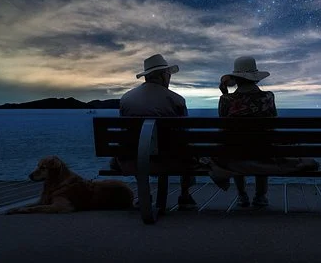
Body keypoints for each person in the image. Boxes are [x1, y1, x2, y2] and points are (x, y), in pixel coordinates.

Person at [110, 53, 197, 210]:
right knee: (188, 148)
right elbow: (185, 134)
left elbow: (125, 133)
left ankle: (145, 193)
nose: (169, 78)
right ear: (164, 75)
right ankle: (184, 194)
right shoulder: (176, 99)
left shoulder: (126, 99)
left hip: (132, 162)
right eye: (169, 74)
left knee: (136, 147)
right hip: (170, 161)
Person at [218, 56, 277, 207]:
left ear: (236, 79)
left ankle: (242, 195)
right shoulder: (268, 97)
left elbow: (223, 126)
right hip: (263, 152)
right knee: (263, 143)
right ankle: (260, 195)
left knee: (235, 143)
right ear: (256, 79)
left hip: (236, 153)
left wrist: (224, 92)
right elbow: (273, 123)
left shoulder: (226, 100)